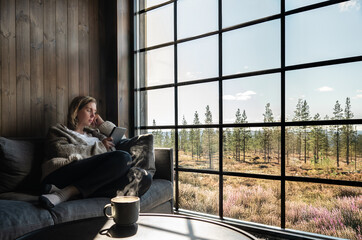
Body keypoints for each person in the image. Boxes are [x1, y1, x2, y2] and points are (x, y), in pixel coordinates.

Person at [39, 96, 152, 209]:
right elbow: (60, 150)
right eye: (89, 110)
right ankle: (66, 192)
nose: (93, 115)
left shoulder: (94, 133)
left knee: (143, 177)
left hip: (94, 177)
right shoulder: (58, 130)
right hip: (64, 172)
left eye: (95, 112)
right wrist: (100, 147)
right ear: (76, 111)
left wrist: (102, 124)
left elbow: (122, 139)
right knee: (124, 157)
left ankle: (72, 192)